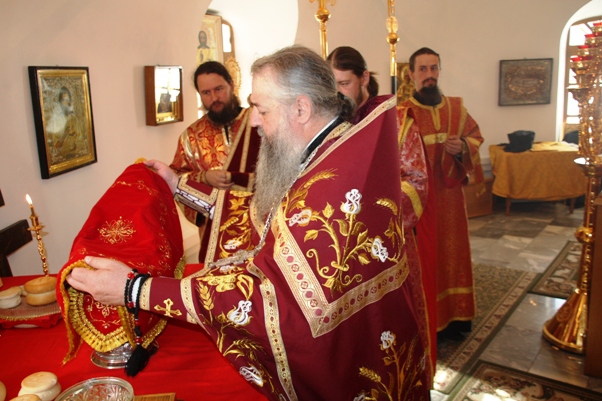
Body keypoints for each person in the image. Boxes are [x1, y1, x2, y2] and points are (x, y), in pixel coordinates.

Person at [66, 45, 431, 400]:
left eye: (261, 109)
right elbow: (269, 217)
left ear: (301, 108)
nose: (253, 120)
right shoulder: (327, 154)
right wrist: (180, 186)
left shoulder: (332, 187)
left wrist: (135, 290)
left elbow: (264, 306)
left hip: (348, 373)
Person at [328, 45, 436, 374]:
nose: (338, 94)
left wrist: (374, 214)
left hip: (390, 247)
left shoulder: (396, 120)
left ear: (363, 78)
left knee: (395, 330)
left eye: (344, 84)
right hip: (343, 250)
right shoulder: (328, 124)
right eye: (331, 85)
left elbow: (416, 181)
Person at [399, 47, 485, 340]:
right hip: (420, 203)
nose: (429, 75)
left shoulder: (456, 109)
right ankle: (429, 318)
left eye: (434, 68)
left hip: (450, 200)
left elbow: (475, 137)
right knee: (426, 258)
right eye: (423, 69)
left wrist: (462, 147)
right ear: (411, 74)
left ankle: (457, 317)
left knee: (454, 255)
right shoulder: (403, 113)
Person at [169, 60, 261, 263]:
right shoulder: (191, 136)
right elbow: (174, 178)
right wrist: (204, 177)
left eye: (219, 89)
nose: (214, 98)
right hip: (214, 231)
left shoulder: (259, 122)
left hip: (259, 223)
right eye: (206, 93)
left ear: (231, 84)